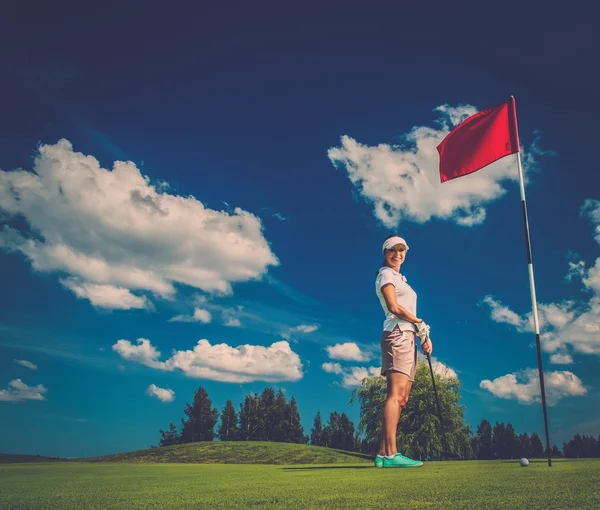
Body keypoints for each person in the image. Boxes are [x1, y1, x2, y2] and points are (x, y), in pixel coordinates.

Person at [374, 235, 433, 468]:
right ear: (385, 252)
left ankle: (382, 454)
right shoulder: (386, 274)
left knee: (403, 398)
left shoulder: (401, 279)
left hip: (408, 336)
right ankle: (390, 454)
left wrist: (423, 336)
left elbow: (409, 314)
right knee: (395, 395)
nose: (397, 254)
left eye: (402, 250)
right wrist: (419, 323)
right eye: (392, 250)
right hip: (397, 334)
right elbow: (394, 307)